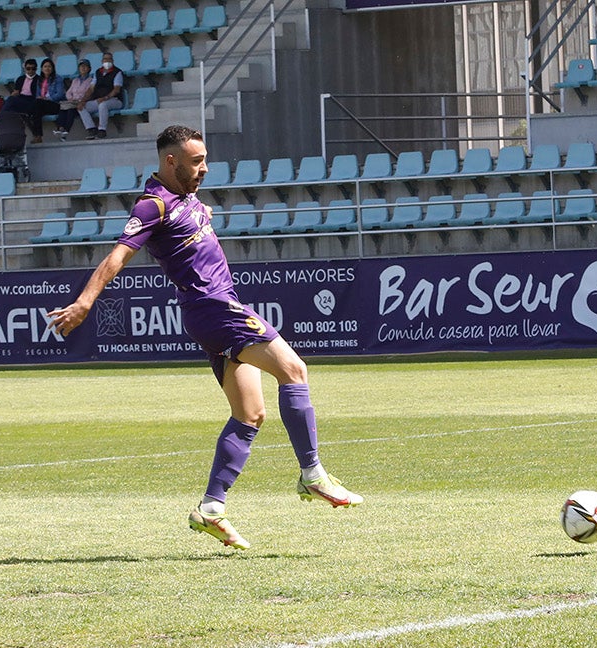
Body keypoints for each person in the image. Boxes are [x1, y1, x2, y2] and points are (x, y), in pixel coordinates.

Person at [47, 125, 364, 551]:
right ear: (170, 161)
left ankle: (211, 508)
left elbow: (189, 228)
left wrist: (201, 217)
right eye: (196, 161)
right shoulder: (152, 205)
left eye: (204, 159)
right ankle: (313, 474)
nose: (205, 168)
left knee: (250, 414)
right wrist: (85, 302)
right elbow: (117, 255)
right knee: (294, 369)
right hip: (212, 306)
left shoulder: (185, 197)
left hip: (213, 308)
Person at [3, 58, 64, 143]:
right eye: (45, 66)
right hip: (40, 103)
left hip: (53, 104)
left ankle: (37, 135)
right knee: (31, 108)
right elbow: (37, 94)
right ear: (42, 69)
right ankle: (37, 136)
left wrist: (46, 98)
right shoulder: (40, 80)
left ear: (53, 68)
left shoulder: (57, 79)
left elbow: (60, 94)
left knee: (35, 105)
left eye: (49, 66)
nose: (47, 68)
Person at [80, 51, 124, 140]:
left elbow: (116, 89)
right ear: (102, 61)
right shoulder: (98, 72)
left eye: (109, 59)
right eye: (105, 59)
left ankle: (102, 130)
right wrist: (83, 100)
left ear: (113, 60)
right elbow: (91, 88)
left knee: (103, 105)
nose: (107, 61)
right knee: (82, 107)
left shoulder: (117, 72)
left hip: (114, 100)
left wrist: (105, 98)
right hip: (99, 99)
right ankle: (91, 129)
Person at [54, 59, 93, 139]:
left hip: (81, 102)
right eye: (81, 66)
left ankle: (66, 130)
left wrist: (79, 99)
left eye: (85, 66)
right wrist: (71, 98)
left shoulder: (91, 80)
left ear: (89, 69)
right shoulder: (75, 80)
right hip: (72, 102)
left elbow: (88, 92)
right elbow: (69, 92)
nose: (83, 68)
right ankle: (60, 127)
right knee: (63, 109)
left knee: (70, 111)